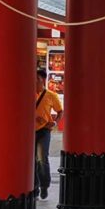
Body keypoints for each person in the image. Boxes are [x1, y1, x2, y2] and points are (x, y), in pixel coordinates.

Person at [32, 70, 63, 200]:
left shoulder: (51, 95)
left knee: (41, 158)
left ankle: (44, 185)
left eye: (37, 78)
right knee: (31, 161)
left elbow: (60, 111)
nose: (35, 81)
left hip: (44, 130)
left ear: (43, 80)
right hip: (30, 131)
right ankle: (35, 187)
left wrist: (55, 123)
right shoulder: (28, 93)